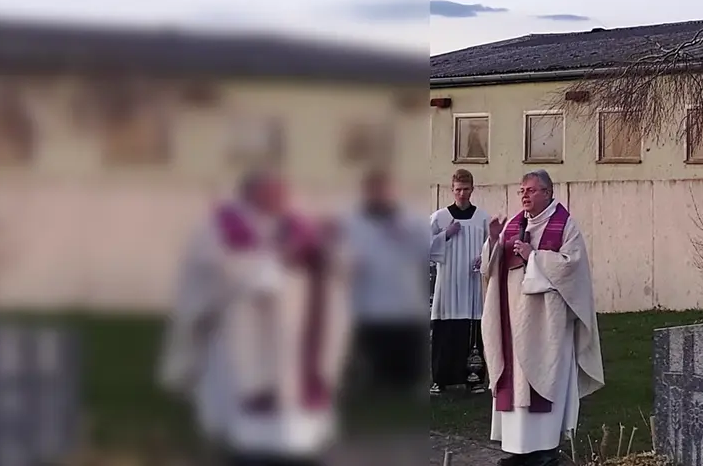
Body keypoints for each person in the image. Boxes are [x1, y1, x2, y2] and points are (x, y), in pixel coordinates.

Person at [158, 167, 353, 466]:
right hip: (243, 345)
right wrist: (273, 264)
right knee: (249, 433)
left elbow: (335, 270)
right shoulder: (219, 228)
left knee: (301, 433)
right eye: (273, 193)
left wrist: (327, 250)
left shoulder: (299, 225)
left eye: (283, 193)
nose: (281, 199)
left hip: (297, 345)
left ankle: (302, 455)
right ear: (250, 193)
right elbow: (211, 275)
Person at [480, 169, 604, 466]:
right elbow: (490, 269)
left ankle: (545, 450)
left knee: (545, 377)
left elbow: (572, 266)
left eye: (532, 190)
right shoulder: (513, 224)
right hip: (512, 319)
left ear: (548, 193)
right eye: (522, 190)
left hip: (548, 323)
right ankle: (518, 449)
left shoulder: (565, 226)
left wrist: (533, 255)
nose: (524, 195)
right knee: (515, 382)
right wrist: (494, 241)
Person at [343, 166, 428, 394]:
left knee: (405, 367)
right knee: (374, 362)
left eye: (383, 189)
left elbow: (425, 252)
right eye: (374, 190)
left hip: (405, 303)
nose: (379, 194)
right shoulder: (352, 223)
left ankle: (405, 389)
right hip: (370, 305)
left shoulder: (410, 221)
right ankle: (374, 389)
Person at [430, 168, 489, 394]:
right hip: (447, 282)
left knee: (472, 329)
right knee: (445, 329)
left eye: (466, 189)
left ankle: (473, 378)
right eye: (458, 190)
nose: (462, 194)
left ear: (472, 189)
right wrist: (445, 234)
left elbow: (491, 246)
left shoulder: (482, 217)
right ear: (451, 190)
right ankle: (440, 378)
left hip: (471, 282)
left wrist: (483, 259)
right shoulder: (440, 218)